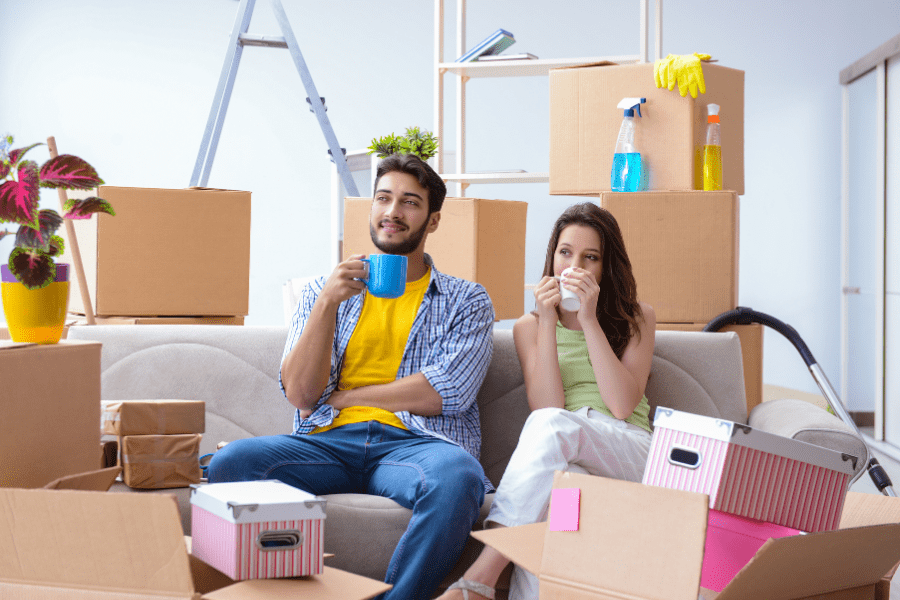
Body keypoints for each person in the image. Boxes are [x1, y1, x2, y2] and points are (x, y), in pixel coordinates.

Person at [207, 153, 495, 600]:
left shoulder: (466, 299)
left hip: (414, 446)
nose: (393, 212)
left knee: (459, 476)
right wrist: (326, 304)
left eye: (410, 202)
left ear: (432, 220)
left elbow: (447, 391)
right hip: (327, 443)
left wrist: (348, 397)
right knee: (232, 463)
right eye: (384, 198)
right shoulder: (324, 290)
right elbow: (302, 395)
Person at [440, 202, 656, 600]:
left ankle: (481, 577)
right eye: (566, 253)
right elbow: (548, 405)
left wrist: (589, 320)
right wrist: (549, 323)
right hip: (565, 452)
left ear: (605, 268)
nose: (575, 266)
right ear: (552, 258)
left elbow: (622, 405)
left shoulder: (636, 317)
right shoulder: (530, 326)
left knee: (554, 427)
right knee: (557, 505)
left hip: (628, 448)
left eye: (590, 258)